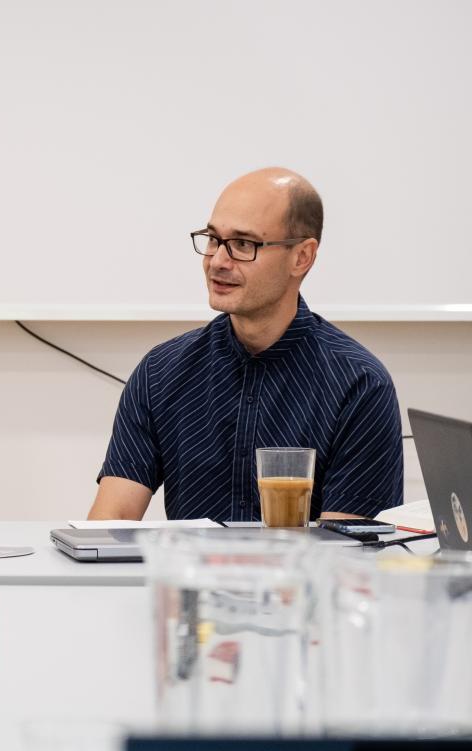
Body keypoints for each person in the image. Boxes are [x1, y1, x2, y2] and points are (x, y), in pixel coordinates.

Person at [88, 167, 403, 522]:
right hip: (191, 562)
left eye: (243, 245)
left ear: (302, 257)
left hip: (304, 563)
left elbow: (347, 547)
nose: (218, 262)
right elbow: (109, 523)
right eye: (213, 239)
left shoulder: (359, 385)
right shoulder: (161, 372)